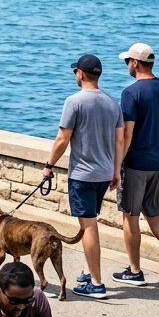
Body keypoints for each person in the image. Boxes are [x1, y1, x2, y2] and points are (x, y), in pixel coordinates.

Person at [41, 54, 124, 299]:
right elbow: (119, 140)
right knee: (90, 223)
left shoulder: (74, 102)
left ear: (80, 73)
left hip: (83, 175)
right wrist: (116, 170)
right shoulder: (112, 103)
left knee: (88, 227)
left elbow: (62, 139)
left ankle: (97, 284)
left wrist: (48, 165)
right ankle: (88, 272)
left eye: (75, 72)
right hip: (104, 174)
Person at [115, 42, 159, 288]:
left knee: (130, 217)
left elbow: (127, 134)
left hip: (136, 165)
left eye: (127, 62)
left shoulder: (131, 93)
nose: (127, 66)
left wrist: (117, 166)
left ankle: (134, 271)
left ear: (135, 63)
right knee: (154, 213)